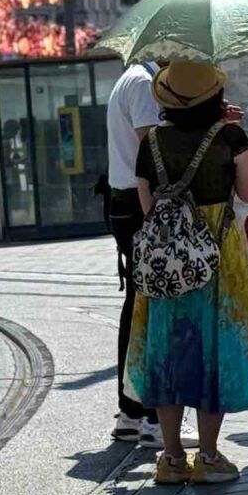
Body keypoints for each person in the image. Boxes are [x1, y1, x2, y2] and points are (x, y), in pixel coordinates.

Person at [126, 61, 248, 485]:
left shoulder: (151, 141)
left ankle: (171, 458)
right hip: (219, 257)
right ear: (214, 96)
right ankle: (208, 455)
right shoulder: (229, 136)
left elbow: (148, 205)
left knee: (168, 353)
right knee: (215, 350)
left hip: (165, 261)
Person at [105, 63, 163, 446]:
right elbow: (151, 148)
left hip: (124, 200)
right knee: (155, 306)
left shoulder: (132, 78)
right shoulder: (143, 82)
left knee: (138, 304)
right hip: (140, 202)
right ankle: (155, 419)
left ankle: (131, 411)